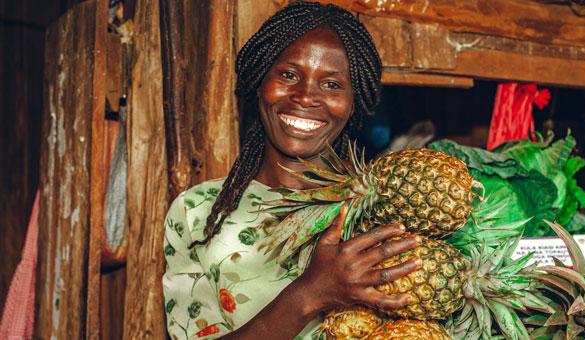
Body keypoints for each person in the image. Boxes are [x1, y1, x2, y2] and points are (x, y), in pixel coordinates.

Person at [162, 2, 422, 339]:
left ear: (354, 103)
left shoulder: (388, 203)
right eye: (288, 75)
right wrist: (310, 294)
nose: (305, 97)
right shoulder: (197, 212)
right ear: (259, 82)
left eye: (332, 84)